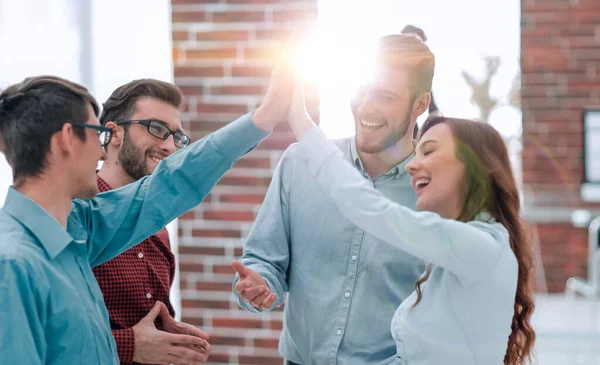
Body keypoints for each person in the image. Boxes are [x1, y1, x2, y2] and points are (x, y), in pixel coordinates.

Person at [0, 46, 293, 364]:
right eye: (96, 133)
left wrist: (263, 118)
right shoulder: (12, 264)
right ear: (66, 139)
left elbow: (173, 183)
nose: (101, 153)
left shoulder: (80, 227)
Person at [285, 76, 536, 364]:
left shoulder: (481, 246)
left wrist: (300, 122)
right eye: (415, 154)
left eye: (428, 151)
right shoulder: (457, 254)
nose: (413, 165)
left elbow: (372, 210)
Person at [232, 34, 434, 365]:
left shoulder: (435, 195)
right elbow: (264, 259)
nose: (366, 107)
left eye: (384, 96)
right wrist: (259, 282)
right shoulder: (300, 164)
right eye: (362, 90)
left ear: (419, 104)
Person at [92, 79, 201, 364]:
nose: (168, 146)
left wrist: (173, 337)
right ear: (113, 133)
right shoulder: (74, 214)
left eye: (177, 136)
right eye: (156, 128)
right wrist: (129, 345)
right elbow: (44, 332)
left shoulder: (157, 228)